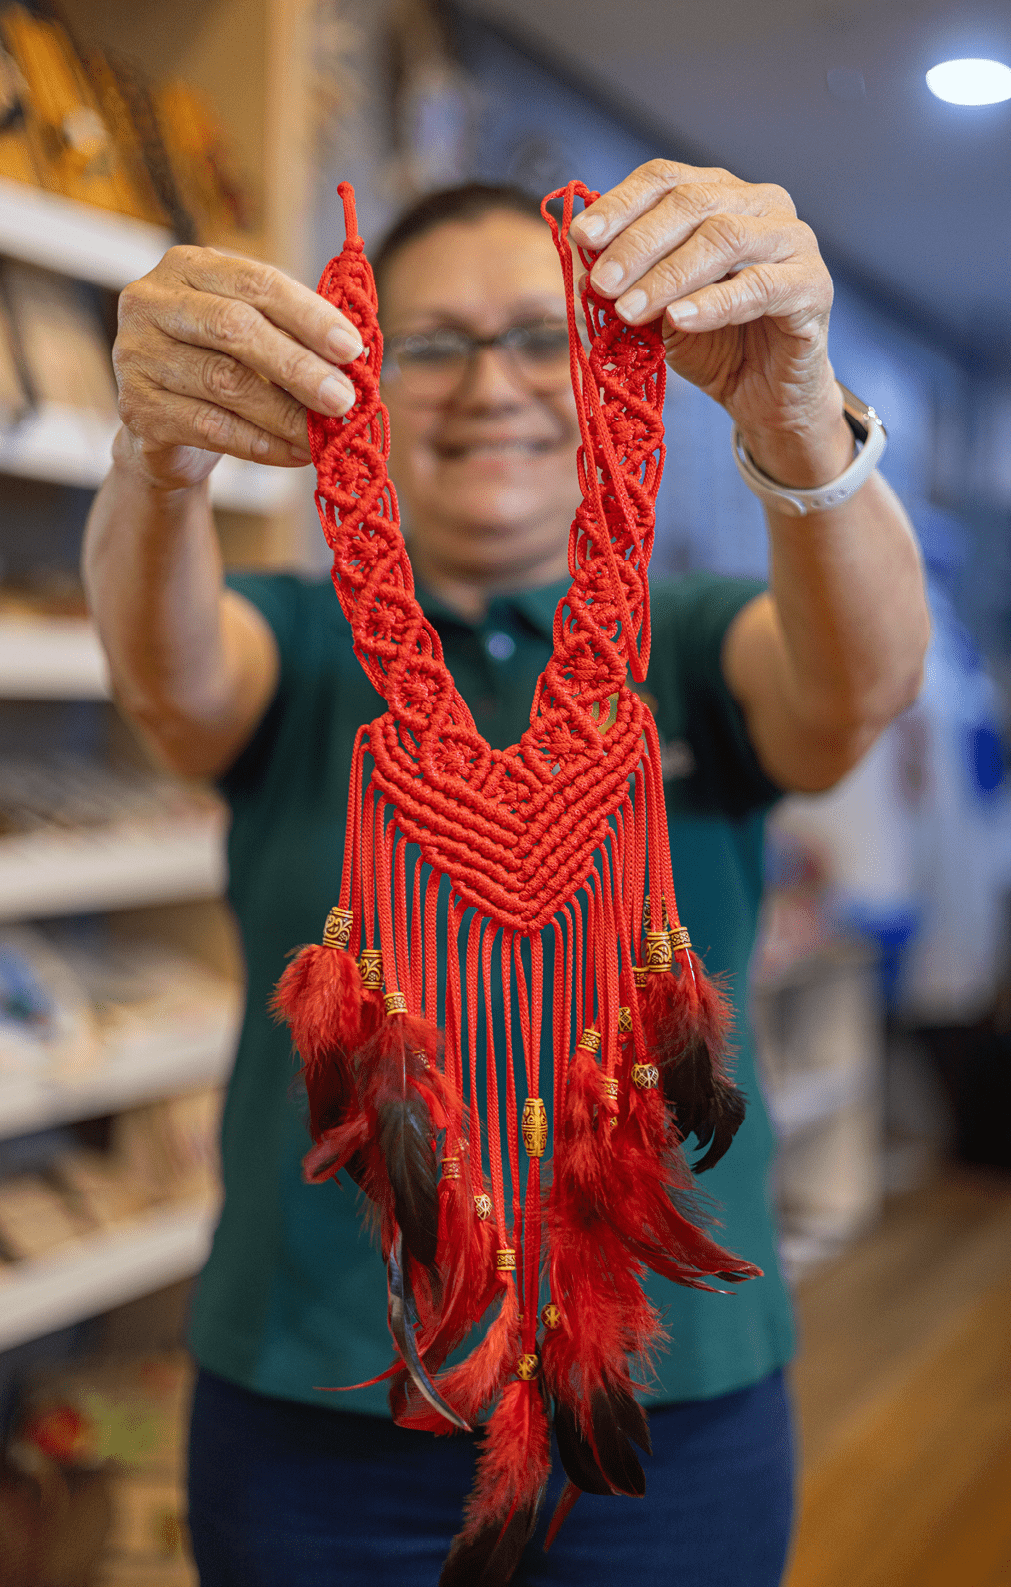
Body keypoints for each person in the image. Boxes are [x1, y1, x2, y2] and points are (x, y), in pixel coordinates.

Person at [83, 160, 930, 1586]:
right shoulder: (289, 642)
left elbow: (853, 695)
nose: (492, 384)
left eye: (541, 334)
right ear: (353, 374)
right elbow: (166, 684)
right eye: (429, 343)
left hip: (665, 1397)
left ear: (612, 358)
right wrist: (155, 459)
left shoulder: (706, 632)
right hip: (320, 1398)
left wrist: (797, 410)